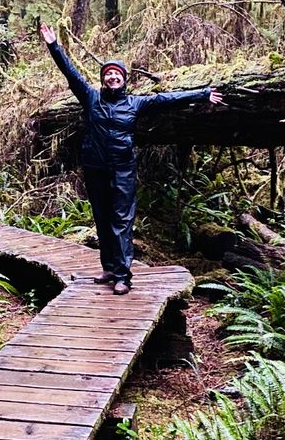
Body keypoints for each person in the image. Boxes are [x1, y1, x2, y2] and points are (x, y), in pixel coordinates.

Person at [39, 22, 224, 295]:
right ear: (103, 79)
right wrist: (54, 46)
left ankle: (123, 276)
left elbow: (169, 99)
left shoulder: (135, 103)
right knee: (102, 218)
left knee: (121, 221)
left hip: (123, 169)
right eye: (108, 74)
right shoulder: (91, 98)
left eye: (117, 74)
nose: (112, 77)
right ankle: (109, 268)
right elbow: (71, 74)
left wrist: (203, 93)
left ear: (124, 79)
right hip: (95, 168)